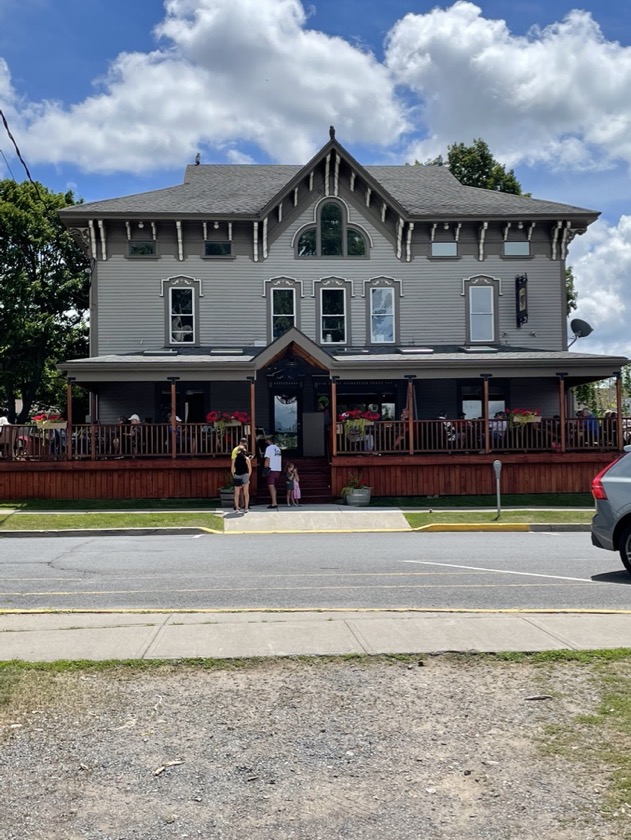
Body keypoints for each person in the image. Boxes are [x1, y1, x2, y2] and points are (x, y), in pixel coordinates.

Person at [263, 435, 282, 509]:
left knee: (271, 485)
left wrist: (265, 467)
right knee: (274, 486)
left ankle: (274, 503)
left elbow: (267, 459)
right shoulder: (278, 449)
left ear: (269, 440)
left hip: (271, 469)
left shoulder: (269, 448)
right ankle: (274, 501)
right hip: (278, 469)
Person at [231, 444, 252, 513]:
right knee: (246, 493)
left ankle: (237, 508)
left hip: (237, 475)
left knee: (237, 493)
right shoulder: (247, 459)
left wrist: (234, 476)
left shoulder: (235, 459)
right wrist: (248, 476)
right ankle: (246, 508)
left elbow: (232, 469)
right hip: (245, 475)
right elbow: (250, 469)